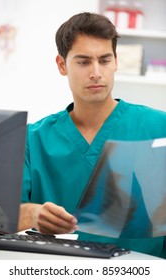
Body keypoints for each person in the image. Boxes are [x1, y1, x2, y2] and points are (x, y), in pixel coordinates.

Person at [18, 12, 166, 258]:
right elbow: (2, 216)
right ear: (62, 65)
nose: (96, 72)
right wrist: (33, 214)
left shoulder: (159, 128)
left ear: (116, 61)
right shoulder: (32, 140)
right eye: (84, 61)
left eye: (105, 60)